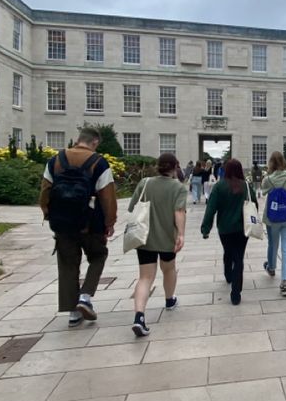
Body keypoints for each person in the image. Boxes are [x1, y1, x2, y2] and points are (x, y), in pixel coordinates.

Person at [39, 126, 117, 326]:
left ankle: (73, 312)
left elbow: (45, 190)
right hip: (91, 223)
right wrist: (110, 222)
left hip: (62, 223)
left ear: (77, 139)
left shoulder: (55, 161)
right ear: (95, 142)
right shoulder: (99, 163)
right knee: (98, 256)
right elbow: (107, 196)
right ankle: (85, 296)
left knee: (67, 265)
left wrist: (48, 213)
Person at [128, 151, 188, 337]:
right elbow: (179, 212)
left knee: (145, 277)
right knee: (168, 269)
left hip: (144, 237)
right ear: (175, 166)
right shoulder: (178, 188)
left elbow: (132, 207)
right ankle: (169, 299)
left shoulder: (144, 183)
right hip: (166, 238)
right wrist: (181, 234)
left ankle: (139, 316)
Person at [201, 158, 257, 305]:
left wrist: (206, 228)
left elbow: (211, 209)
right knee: (239, 257)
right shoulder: (246, 185)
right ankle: (236, 293)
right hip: (242, 228)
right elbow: (254, 204)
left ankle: (228, 273)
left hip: (225, 229)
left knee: (228, 251)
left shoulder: (219, 186)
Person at [261, 150, 286, 296]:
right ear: (283, 161)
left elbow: (263, 192)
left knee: (272, 244)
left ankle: (271, 267)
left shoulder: (267, 179)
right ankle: (284, 282)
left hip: (272, 218)